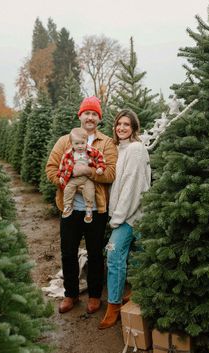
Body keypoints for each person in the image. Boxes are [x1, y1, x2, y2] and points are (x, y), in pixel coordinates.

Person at [46, 96, 117, 314]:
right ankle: (71, 294)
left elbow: (111, 173)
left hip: (96, 210)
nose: (90, 117)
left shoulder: (106, 143)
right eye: (87, 113)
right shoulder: (64, 141)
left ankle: (95, 296)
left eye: (94, 114)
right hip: (69, 209)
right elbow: (50, 169)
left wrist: (87, 171)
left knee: (95, 253)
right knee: (68, 253)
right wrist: (68, 177)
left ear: (99, 119)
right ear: (80, 115)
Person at [99, 109, 151, 329]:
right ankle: (135, 293)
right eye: (119, 124)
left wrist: (117, 218)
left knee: (114, 254)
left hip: (131, 215)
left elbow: (133, 185)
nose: (121, 128)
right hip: (126, 214)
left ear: (134, 128)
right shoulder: (120, 149)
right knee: (138, 256)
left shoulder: (136, 149)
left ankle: (114, 306)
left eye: (126, 125)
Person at [58, 127, 106, 224]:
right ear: (71, 143)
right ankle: (67, 206)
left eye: (82, 143)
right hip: (74, 178)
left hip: (88, 178)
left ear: (86, 142)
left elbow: (101, 158)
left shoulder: (92, 151)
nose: (80, 146)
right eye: (77, 143)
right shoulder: (68, 154)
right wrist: (61, 176)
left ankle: (89, 210)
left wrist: (100, 168)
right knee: (68, 188)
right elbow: (62, 165)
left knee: (90, 191)